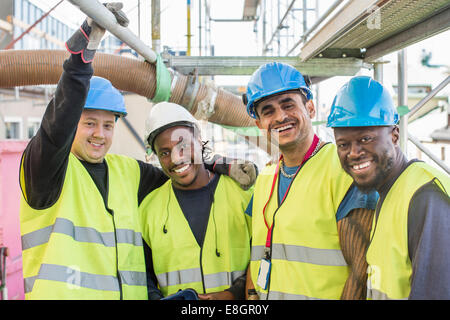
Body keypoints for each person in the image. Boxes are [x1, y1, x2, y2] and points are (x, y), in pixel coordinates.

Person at [19, 4, 256, 300]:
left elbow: (182, 172)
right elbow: (56, 129)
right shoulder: (47, 172)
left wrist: (221, 165)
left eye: (108, 125)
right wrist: (83, 54)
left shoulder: (127, 172)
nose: (99, 134)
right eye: (89, 123)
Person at [243, 62, 377, 300]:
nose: (280, 117)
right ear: (259, 124)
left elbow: (362, 269)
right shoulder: (267, 176)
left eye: (288, 105)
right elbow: (259, 248)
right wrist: (252, 294)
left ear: (310, 108)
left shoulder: (343, 169)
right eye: (268, 111)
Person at [327, 75, 450, 300]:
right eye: (343, 144)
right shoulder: (389, 192)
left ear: (394, 135)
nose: (353, 153)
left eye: (365, 139)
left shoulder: (424, 196)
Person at [138, 102, 253, 300]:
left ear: (199, 140)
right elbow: (143, 274)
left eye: (183, 145)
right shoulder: (149, 210)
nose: (176, 158)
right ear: (156, 156)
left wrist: (232, 294)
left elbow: (264, 255)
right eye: (165, 152)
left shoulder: (243, 195)